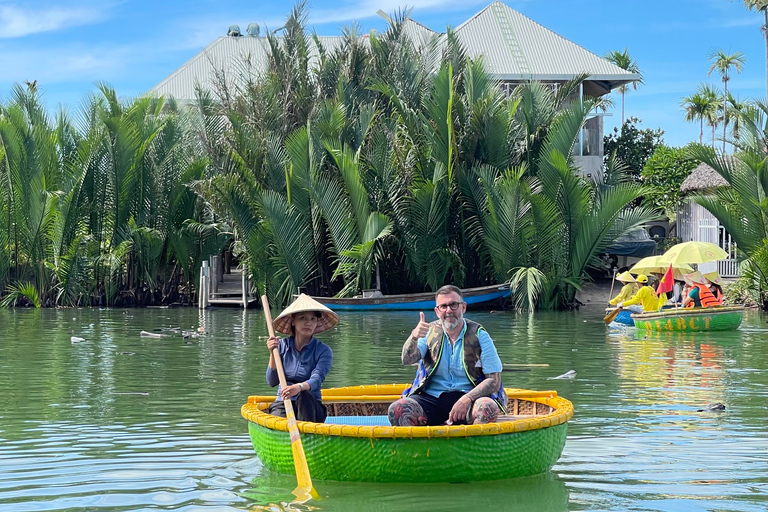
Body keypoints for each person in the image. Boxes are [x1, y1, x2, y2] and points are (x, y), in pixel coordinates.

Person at [387, 285, 507, 427]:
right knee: (397, 409)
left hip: (469, 399)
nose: (449, 311)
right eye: (443, 306)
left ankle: (473, 448)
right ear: (437, 311)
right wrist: (413, 336)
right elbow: (407, 360)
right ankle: (420, 448)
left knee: (488, 408)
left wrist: (467, 399)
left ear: (463, 307)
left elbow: (494, 381)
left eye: (453, 305)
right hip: (431, 399)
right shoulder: (428, 332)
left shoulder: (480, 334)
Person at [265, 294, 337, 423]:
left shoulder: (323, 350)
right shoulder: (281, 346)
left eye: (313, 319)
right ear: (293, 321)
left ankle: (308, 436)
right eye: (303, 318)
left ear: (317, 322)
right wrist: (272, 353)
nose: (308, 323)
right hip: (284, 402)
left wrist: (299, 387)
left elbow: (317, 379)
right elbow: (271, 381)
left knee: (304, 396)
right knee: (277, 423)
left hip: (311, 406)